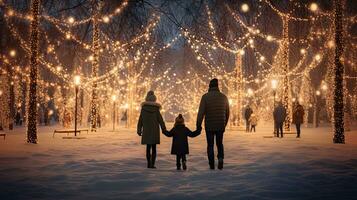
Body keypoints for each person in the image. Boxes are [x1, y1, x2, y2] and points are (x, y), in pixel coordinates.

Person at [197, 78, 230, 170]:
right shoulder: (224, 97)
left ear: (210, 86)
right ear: (217, 86)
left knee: (210, 144)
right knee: (219, 143)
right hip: (220, 125)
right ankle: (220, 159)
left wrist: (198, 125)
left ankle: (211, 164)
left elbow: (201, 113)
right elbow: (227, 113)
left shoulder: (205, 97)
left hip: (209, 126)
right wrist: (224, 124)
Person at [137, 91, 166, 169]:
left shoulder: (143, 109)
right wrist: (164, 129)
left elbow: (140, 121)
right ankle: (152, 164)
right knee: (154, 148)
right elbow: (160, 120)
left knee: (148, 148)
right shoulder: (156, 109)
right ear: (154, 99)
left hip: (146, 131)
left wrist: (139, 130)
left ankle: (148, 164)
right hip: (154, 132)